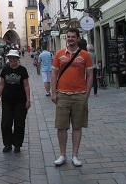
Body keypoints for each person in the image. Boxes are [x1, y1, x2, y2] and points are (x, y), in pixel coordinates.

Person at [51, 27, 93, 167]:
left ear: (78, 38)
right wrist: (53, 92)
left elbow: (90, 75)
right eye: (68, 37)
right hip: (63, 94)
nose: (70, 39)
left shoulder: (85, 55)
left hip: (79, 95)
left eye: (73, 37)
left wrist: (86, 94)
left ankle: (75, 155)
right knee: (61, 126)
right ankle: (62, 154)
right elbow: (54, 74)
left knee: (77, 126)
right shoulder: (59, 54)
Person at [0, 49, 31, 153]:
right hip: (7, 100)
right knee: (6, 123)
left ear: (17, 59)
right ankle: (7, 144)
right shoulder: (5, 70)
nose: (12, 60)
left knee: (19, 123)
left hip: (20, 100)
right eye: (10, 58)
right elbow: (1, 84)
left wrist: (28, 100)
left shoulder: (23, 70)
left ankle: (17, 144)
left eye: (14, 58)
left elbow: (26, 85)